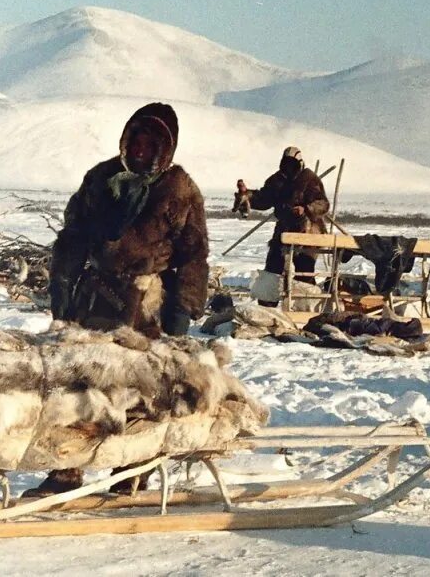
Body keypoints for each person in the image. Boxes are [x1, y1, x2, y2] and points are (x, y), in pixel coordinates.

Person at [27, 102, 209, 496]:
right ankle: (66, 468)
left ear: (166, 147)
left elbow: (193, 255)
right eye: (136, 138)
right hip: (92, 301)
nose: (141, 147)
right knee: (76, 383)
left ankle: (131, 470)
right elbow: (72, 236)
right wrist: (61, 282)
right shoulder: (100, 178)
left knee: (140, 391)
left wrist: (182, 308)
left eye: (151, 141)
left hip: (146, 306)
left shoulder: (179, 190)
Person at [246, 146, 329, 304]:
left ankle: (305, 308)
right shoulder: (277, 180)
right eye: (286, 163)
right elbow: (264, 198)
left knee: (304, 270)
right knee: (273, 268)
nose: (289, 167)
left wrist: (306, 209)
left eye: (292, 164)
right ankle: (267, 306)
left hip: (308, 231)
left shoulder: (309, 179)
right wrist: (248, 197)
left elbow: (323, 203)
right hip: (284, 229)